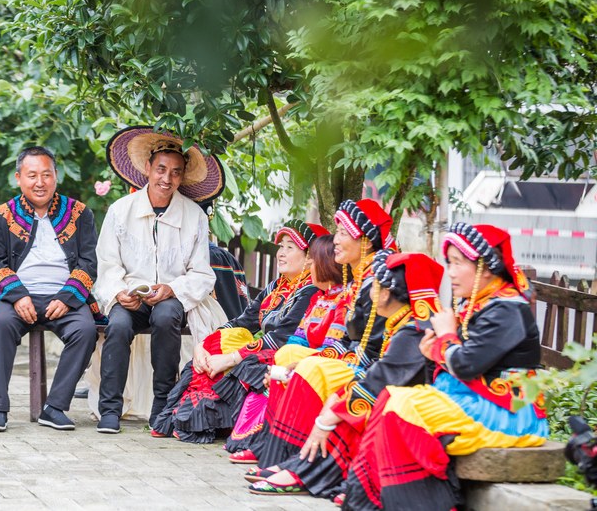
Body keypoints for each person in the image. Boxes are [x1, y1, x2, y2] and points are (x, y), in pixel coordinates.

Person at [341, 223, 547, 511]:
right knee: (391, 397)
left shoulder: (508, 309)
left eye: (457, 263)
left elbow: (464, 364)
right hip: (476, 399)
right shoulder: (482, 302)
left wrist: (446, 337)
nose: (449, 272)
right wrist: (434, 349)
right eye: (448, 263)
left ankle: (423, 502)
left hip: (507, 412)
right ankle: (369, 494)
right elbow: (457, 360)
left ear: (485, 268)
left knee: (404, 410)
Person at [247, 251, 443, 498]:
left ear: (385, 293)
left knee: (351, 410)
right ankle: (296, 465)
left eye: (375, 286)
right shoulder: (400, 324)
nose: (369, 294)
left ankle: (304, 471)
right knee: (340, 397)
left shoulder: (411, 331)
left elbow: (377, 377)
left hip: (404, 406)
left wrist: (329, 414)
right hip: (384, 393)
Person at [230, 198, 396, 466]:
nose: (336, 242)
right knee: (287, 356)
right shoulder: (355, 282)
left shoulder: (377, 280)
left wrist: (310, 360)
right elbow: (340, 341)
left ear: (364, 240)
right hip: (352, 358)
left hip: (373, 368)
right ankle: (269, 447)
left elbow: (366, 348)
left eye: (342, 233)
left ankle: (290, 457)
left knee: (306, 368)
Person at [94, 126, 225, 434]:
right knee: (119, 324)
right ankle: (110, 408)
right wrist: (118, 292)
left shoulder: (194, 216)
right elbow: (108, 262)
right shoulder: (120, 211)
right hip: (131, 296)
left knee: (166, 318)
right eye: (161, 169)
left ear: (183, 177)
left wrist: (172, 289)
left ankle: (162, 407)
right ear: (148, 169)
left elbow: (202, 274)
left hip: (171, 298)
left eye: (176, 173)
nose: (167, 179)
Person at [151, 220, 327, 443]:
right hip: (266, 349)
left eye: (290, 248)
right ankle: (180, 418)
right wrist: (203, 345)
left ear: (310, 257)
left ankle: (205, 422)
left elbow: (281, 337)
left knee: (244, 364)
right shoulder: (277, 287)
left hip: (287, 355)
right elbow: (242, 322)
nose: (281, 254)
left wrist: (231, 358)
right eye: (281, 247)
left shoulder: (311, 291)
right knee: (213, 349)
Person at [0, 146, 99, 432]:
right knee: (0, 324)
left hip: (64, 296)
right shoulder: (2, 215)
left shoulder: (79, 213)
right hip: (16, 296)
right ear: (18, 177)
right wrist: (18, 295)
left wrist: (68, 297)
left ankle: (54, 407)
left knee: (85, 330)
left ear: (56, 176)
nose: (40, 182)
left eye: (46, 175)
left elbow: (89, 262)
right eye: (32, 175)